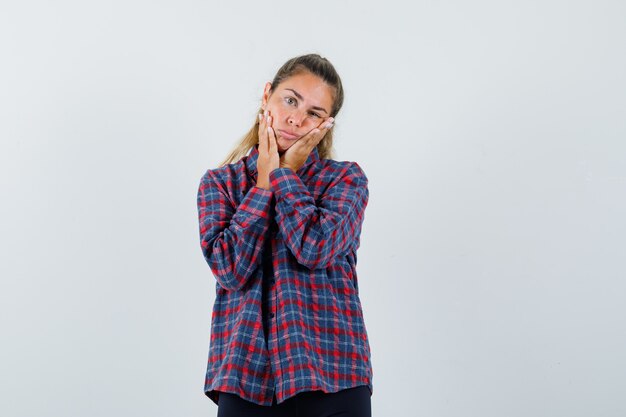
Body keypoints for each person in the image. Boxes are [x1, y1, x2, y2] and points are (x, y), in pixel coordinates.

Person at [196, 53, 373, 417]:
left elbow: (313, 247)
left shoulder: (345, 180)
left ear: (327, 125)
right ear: (267, 96)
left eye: (315, 112)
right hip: (245, 380)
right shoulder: (220, 184)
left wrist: (285, 175)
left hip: (333, 377)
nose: (296, 118)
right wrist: (263, 185)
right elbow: (231, 270)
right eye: (290, 100)